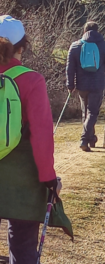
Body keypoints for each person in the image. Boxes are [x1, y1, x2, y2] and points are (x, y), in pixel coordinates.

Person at [0, 15, 72, 262]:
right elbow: (41, 136)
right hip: (23, 177)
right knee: (21, 242)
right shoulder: (31, 79)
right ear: (23, 46)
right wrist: (49, 179)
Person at [66, 21, 105, 152]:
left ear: (84, 31)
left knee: (86, 112)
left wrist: (70, 84)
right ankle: (84, 139)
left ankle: (91, 138)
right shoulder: (104, 45)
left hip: (81, 84)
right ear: (98, 31)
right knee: (92, 112)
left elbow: (70, 68)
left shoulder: (75, 46)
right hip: (98, 83)